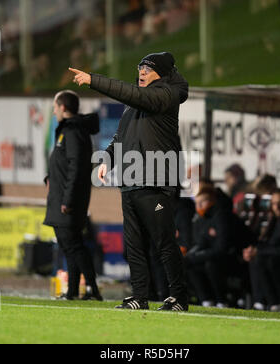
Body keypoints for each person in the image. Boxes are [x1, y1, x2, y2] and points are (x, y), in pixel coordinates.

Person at [69, 51, 189, 311]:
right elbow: (120, 138)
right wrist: (107, 161)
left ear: (162, 73)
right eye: (140, 68)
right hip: (131, 180)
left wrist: (93, 80)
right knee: (133, 244)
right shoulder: (137, 103)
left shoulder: (165, 96)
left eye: (148, 69)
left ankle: (179, 297)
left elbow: (133, 94)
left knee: (164, 243)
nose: (141, 73)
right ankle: (139, 296)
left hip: (155, 181)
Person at [44, 90, 102, 301]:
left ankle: (92, 289)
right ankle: (73, 291)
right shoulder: (68, 130)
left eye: (55, 106)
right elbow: (65, 164)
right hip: (62, 196)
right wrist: (50, 177)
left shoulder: (73, 131)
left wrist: (67, 200)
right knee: (70, 245)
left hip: (67, 200)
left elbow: (76, 167)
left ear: (63, 108)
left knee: (73, 245)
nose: (53, 111)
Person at [243, 189, 280, 312]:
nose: (277, 207)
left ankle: (278, 302)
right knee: (255, 259)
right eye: (273, 203)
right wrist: (253, 250)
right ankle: (260, 302)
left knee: (266, 260)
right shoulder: (277, 219)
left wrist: (259, 252)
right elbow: (271, 243)